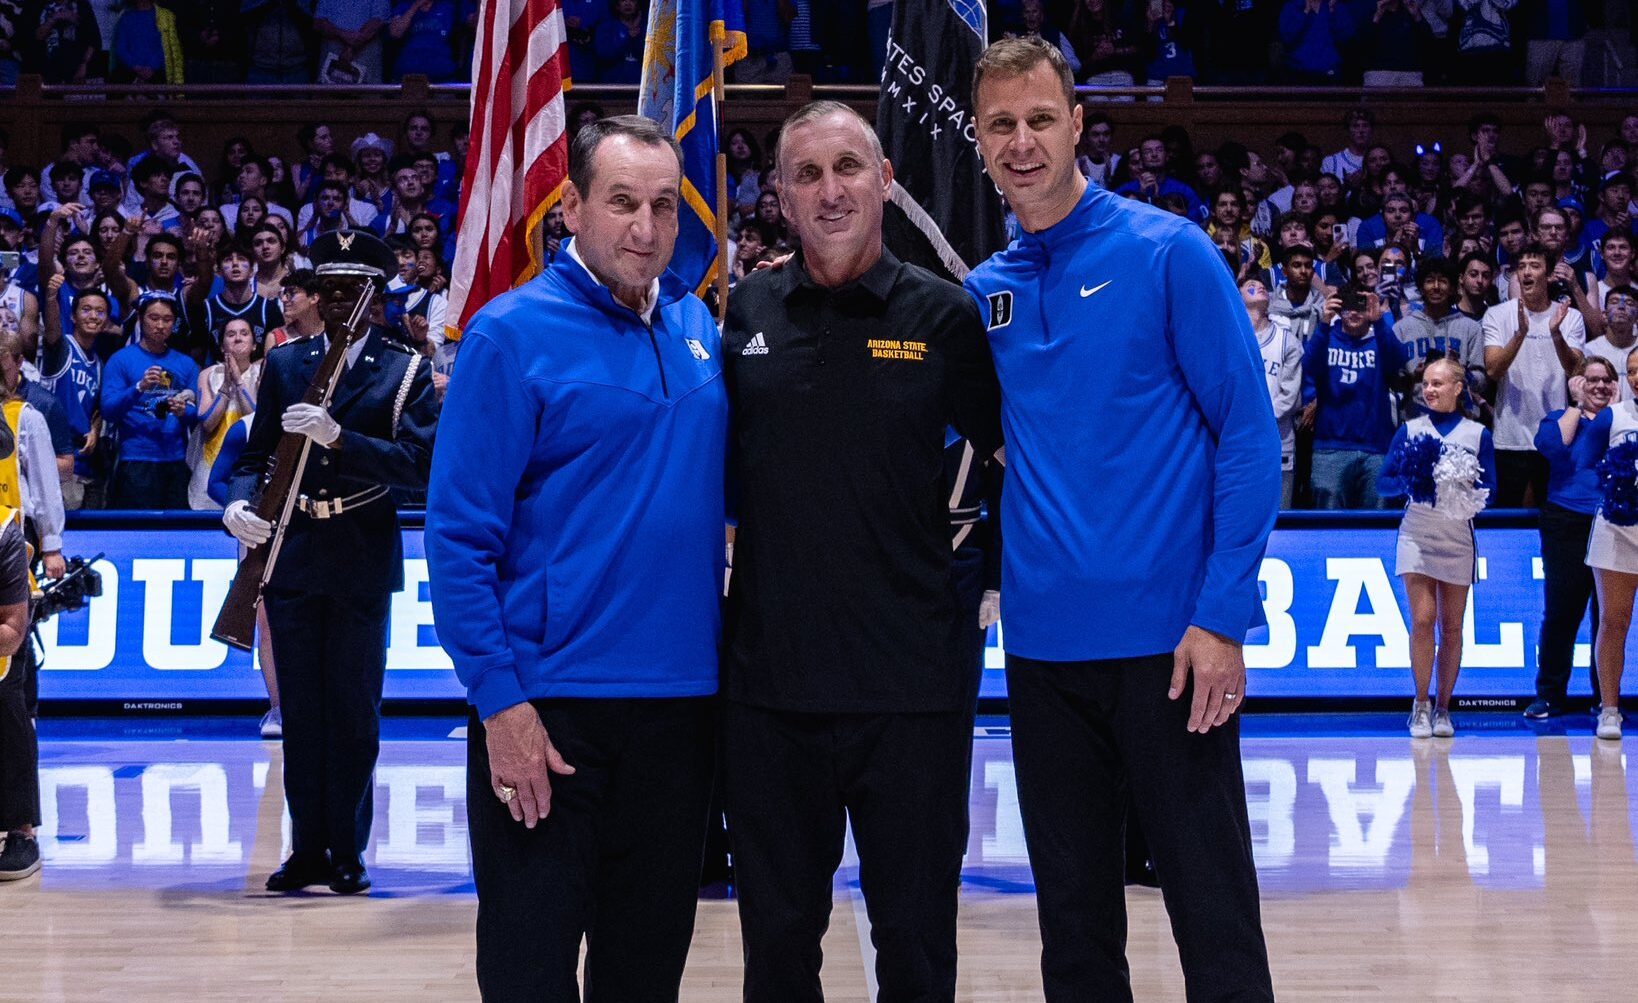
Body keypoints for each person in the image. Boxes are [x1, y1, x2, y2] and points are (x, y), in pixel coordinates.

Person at [964, 35, 1278, 1001]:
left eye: (1040, 119)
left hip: (1173, 650)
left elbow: (1249, 436)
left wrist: (1223, 614)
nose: (1023, 142)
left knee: (1212, 913)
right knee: (1076, 926)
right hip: (1047, 657)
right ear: (978, 141)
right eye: (1002, 125)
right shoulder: (985, 293)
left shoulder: (1168, 251)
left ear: (1078, 125)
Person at [425, 116, 722, 997]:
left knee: (646, 975)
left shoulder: (697, 325)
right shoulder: (507, 337)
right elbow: (458, 536)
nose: (646, 227)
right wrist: (500, 703)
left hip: (680, 713)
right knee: (530, 973)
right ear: (571, 207)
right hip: (550, 717)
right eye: (622, 202)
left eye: (664, 206)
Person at [720, 100, 1002, 1001]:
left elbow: (1015, 465)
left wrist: (979, 595)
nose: (830, 190)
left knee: (917, 952)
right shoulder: (745, 312)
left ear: (885, 181)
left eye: (848, 169)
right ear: (781, 197)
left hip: (912, 695)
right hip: (769, 697)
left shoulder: (947, 317)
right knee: (776, 953)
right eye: (807, 175)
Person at [223, 228, 436, 894]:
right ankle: (304, 847)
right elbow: (254, 457)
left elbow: (419, 470)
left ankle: (347, 848)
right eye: (329, 288)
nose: (338, 300)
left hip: (359, 551)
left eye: (353, 289)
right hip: (293, 552)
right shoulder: (288, 364)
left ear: (377, 296)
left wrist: (343, 438)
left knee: (351, 711)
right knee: (301, 714)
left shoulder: (403, 371)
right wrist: (235, 504)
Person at [1378, 358, 1497, 738]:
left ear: (1458, 387)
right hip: (1417, 534)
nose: (1429, 390)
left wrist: (1463, 491)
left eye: (1438, 383)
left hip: (1458, 537)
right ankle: (1421, 703)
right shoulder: (1410, 430)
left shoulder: (1478, 434)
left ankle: (1444, 706)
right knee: (1424, 619)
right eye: (1426, 384)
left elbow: (1491, 490)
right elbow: (1383, 485)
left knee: (1452, 626)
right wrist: (1416, 481)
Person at [1527, 355, 1616, 718]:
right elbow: (1554, 451)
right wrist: (1577, 406)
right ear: (1577, 383)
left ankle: (1604, 697)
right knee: (1561, 612)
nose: (1599, 386)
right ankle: (1550, 694)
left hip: (1612, 522)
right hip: (1565, 523)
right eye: (1590, 379)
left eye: (1606, 380)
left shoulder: (1624, 421)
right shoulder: (1558, 419)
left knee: (1608, 616)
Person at [1483, 244, 1586, 507]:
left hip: (1556, 436)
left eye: (1535, 266)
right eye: (1522, 266)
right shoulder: (1497, 314)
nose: (1527, 272)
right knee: (1509, 519)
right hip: (1509, 437)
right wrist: (1519, 334)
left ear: (1549, 275)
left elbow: (1574, 370)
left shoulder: (1570, 317)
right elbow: (1493, 370)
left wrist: (1555, 333)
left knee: (1552, 513)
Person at [1302, 284, 1409, 509]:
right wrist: (1324, 322)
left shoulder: (1379, 339)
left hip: (1376, 448)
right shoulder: (1327, 337)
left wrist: (1379, 320)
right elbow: (1309, 365)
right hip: (1330, 447)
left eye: (1360, 305)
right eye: (1348, 304)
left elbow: (1399, 359)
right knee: (1329, 527)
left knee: (1376, 527)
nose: (1354, 311)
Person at [1578, 350, 1638, 741]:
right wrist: (1615, 489)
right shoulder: (1613, 418)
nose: (1636, 377)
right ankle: (1610, 709)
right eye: (1631, 371)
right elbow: (1583, 462)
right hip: (1618, 528)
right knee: (1613, 621)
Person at [0, 440, 38, 880]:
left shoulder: (6, 529)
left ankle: (20, 831)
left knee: (9, 704)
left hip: (0, 643)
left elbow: (10, 632)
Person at [1244, 276, 1303, 507]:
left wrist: (1258, 419)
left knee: (1279, 516)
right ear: (1238, 297)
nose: (1259, 286)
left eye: (1262, 286)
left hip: (1278, 439)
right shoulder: (1231, 338)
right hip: (1240, 440)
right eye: (1250, 285)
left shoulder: (1286, 340)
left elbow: (1289, 396)